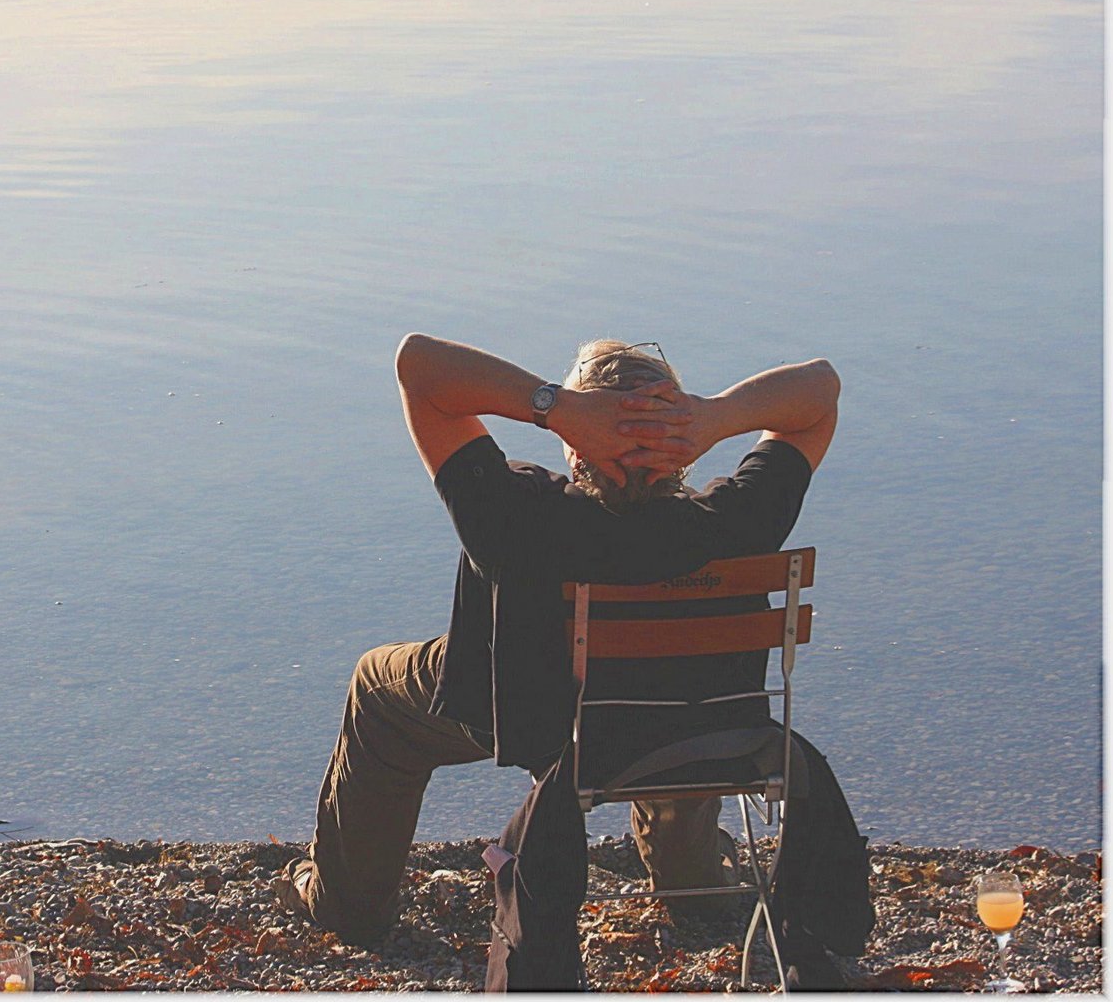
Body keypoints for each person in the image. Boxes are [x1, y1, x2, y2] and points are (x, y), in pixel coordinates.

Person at [274, 333, 871, 990]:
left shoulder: (514, 515)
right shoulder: (737, 521)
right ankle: (692, 878)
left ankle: (350, 907)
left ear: (577, 443)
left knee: (376, 688)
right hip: (697, 723)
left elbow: (418, 366)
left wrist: (553, 405)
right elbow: (820, 391)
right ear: (680, 443)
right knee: (687, 691)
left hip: (545, 725)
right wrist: (716, 416)